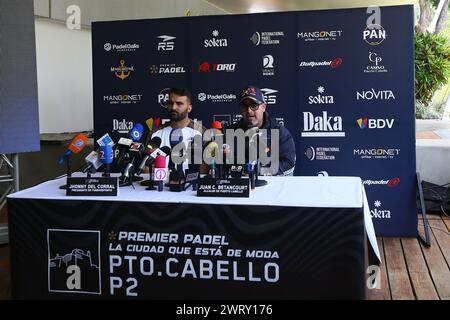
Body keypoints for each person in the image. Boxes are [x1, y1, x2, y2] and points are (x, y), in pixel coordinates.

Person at [228, 85, 296, 176]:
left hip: (273, 182)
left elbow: (288, 163)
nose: (249, 111)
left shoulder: (278, 131)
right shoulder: (232, 132)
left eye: (254, 105)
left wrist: (259, 171)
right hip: (242, 184)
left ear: (263, 107)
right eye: (244, 107)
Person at [145, 88, 204, 171]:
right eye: (170, 103)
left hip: (191, 182)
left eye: (179, 104)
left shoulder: (202, 132)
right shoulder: (155, 133)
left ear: (189, 108)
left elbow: (206, 168)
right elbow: (146, 167)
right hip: (161, 182)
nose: (173, 107)